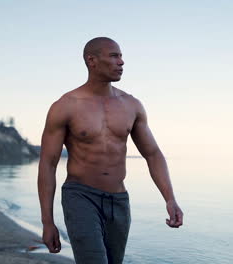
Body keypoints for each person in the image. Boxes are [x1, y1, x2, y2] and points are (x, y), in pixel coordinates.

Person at [37, 37, 183, 264]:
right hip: (80, 196)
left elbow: (152, 153)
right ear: (92, 60)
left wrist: (170, 199)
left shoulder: (131, 105)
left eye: (121, 56)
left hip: (119, 200)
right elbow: (48, 164)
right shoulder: (65, 106)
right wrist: (47, 221)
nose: (122, 62)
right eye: (114, 56)